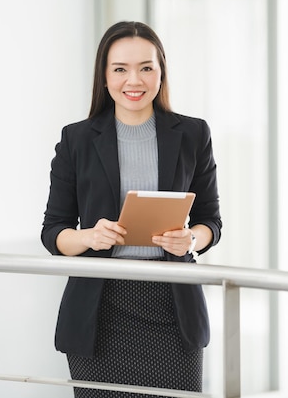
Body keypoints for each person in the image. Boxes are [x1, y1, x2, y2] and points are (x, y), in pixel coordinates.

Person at [41, 21, 222, 398]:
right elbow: (54, 233)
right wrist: (89, 236)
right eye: (120, 69)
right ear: (104, 77)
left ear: (161, 72)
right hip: (99, 311)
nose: (133, 80)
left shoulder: (192, 134)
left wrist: (190, 240)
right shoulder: (77, 139)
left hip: (173, 308)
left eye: (145, 67)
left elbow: (211, 221)